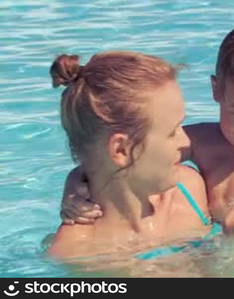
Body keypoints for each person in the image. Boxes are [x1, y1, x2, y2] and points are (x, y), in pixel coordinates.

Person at [61, 17, 234, 242]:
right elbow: (126, 158)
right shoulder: (202, 141)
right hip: (215, 247)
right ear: (217, 90)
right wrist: (76, 186)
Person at [48, 51, 212, 259]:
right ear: (121, 150)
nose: (187, 142)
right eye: (172, 132)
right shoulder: (76, 253)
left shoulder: (188, 191)